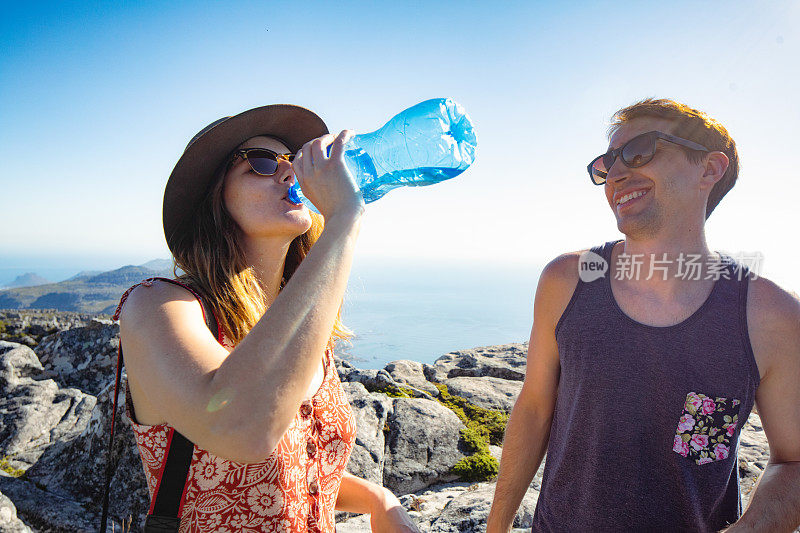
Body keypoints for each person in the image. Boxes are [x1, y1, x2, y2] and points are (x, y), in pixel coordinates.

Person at [487, 98, 800, 532]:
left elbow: (794, 460)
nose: (614, 174)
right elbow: (536, 408)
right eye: (606, 163)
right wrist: (496, 526)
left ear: (709, 169)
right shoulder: (568, 280)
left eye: (639, 151)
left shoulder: (771, 315)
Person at [112, 104, 420, 532]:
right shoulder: (157, 307)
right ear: (215, 197)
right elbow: (243, 429)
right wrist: (344, 219)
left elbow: (299, 469)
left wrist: (376, 497)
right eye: (260, 162)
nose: (290, 173)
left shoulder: (307, 326)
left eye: (291, 161)